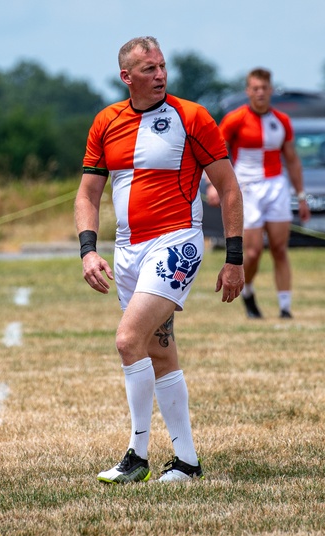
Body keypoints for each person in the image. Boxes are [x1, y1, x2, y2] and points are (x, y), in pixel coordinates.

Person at [75, 37, 245, 483]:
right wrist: (88, 250)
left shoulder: (192, 117)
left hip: (177, 244)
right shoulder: (105, 122)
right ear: (126, 77)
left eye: (163, 67)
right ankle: (187, 463)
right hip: (127, 250)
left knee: (128, 340)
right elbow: (88, 194)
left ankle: (137, 455)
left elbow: (228, 188)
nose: (160, 75)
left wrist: (234, 257)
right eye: (149, 69)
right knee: (159, 352)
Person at [208, 67, 310, 319]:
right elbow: (215, 154)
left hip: (276, 185)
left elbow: (293, 159)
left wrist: (301, 195)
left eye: (264, 88)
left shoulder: (282, 121)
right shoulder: (235, 119)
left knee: (279, 248)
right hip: (247, 187)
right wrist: (212, 185)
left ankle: (285, 307)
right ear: (248, 91)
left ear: (271, 90)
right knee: (252, 252)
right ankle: (249, 291)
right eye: (255, 88)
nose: (260, 93)